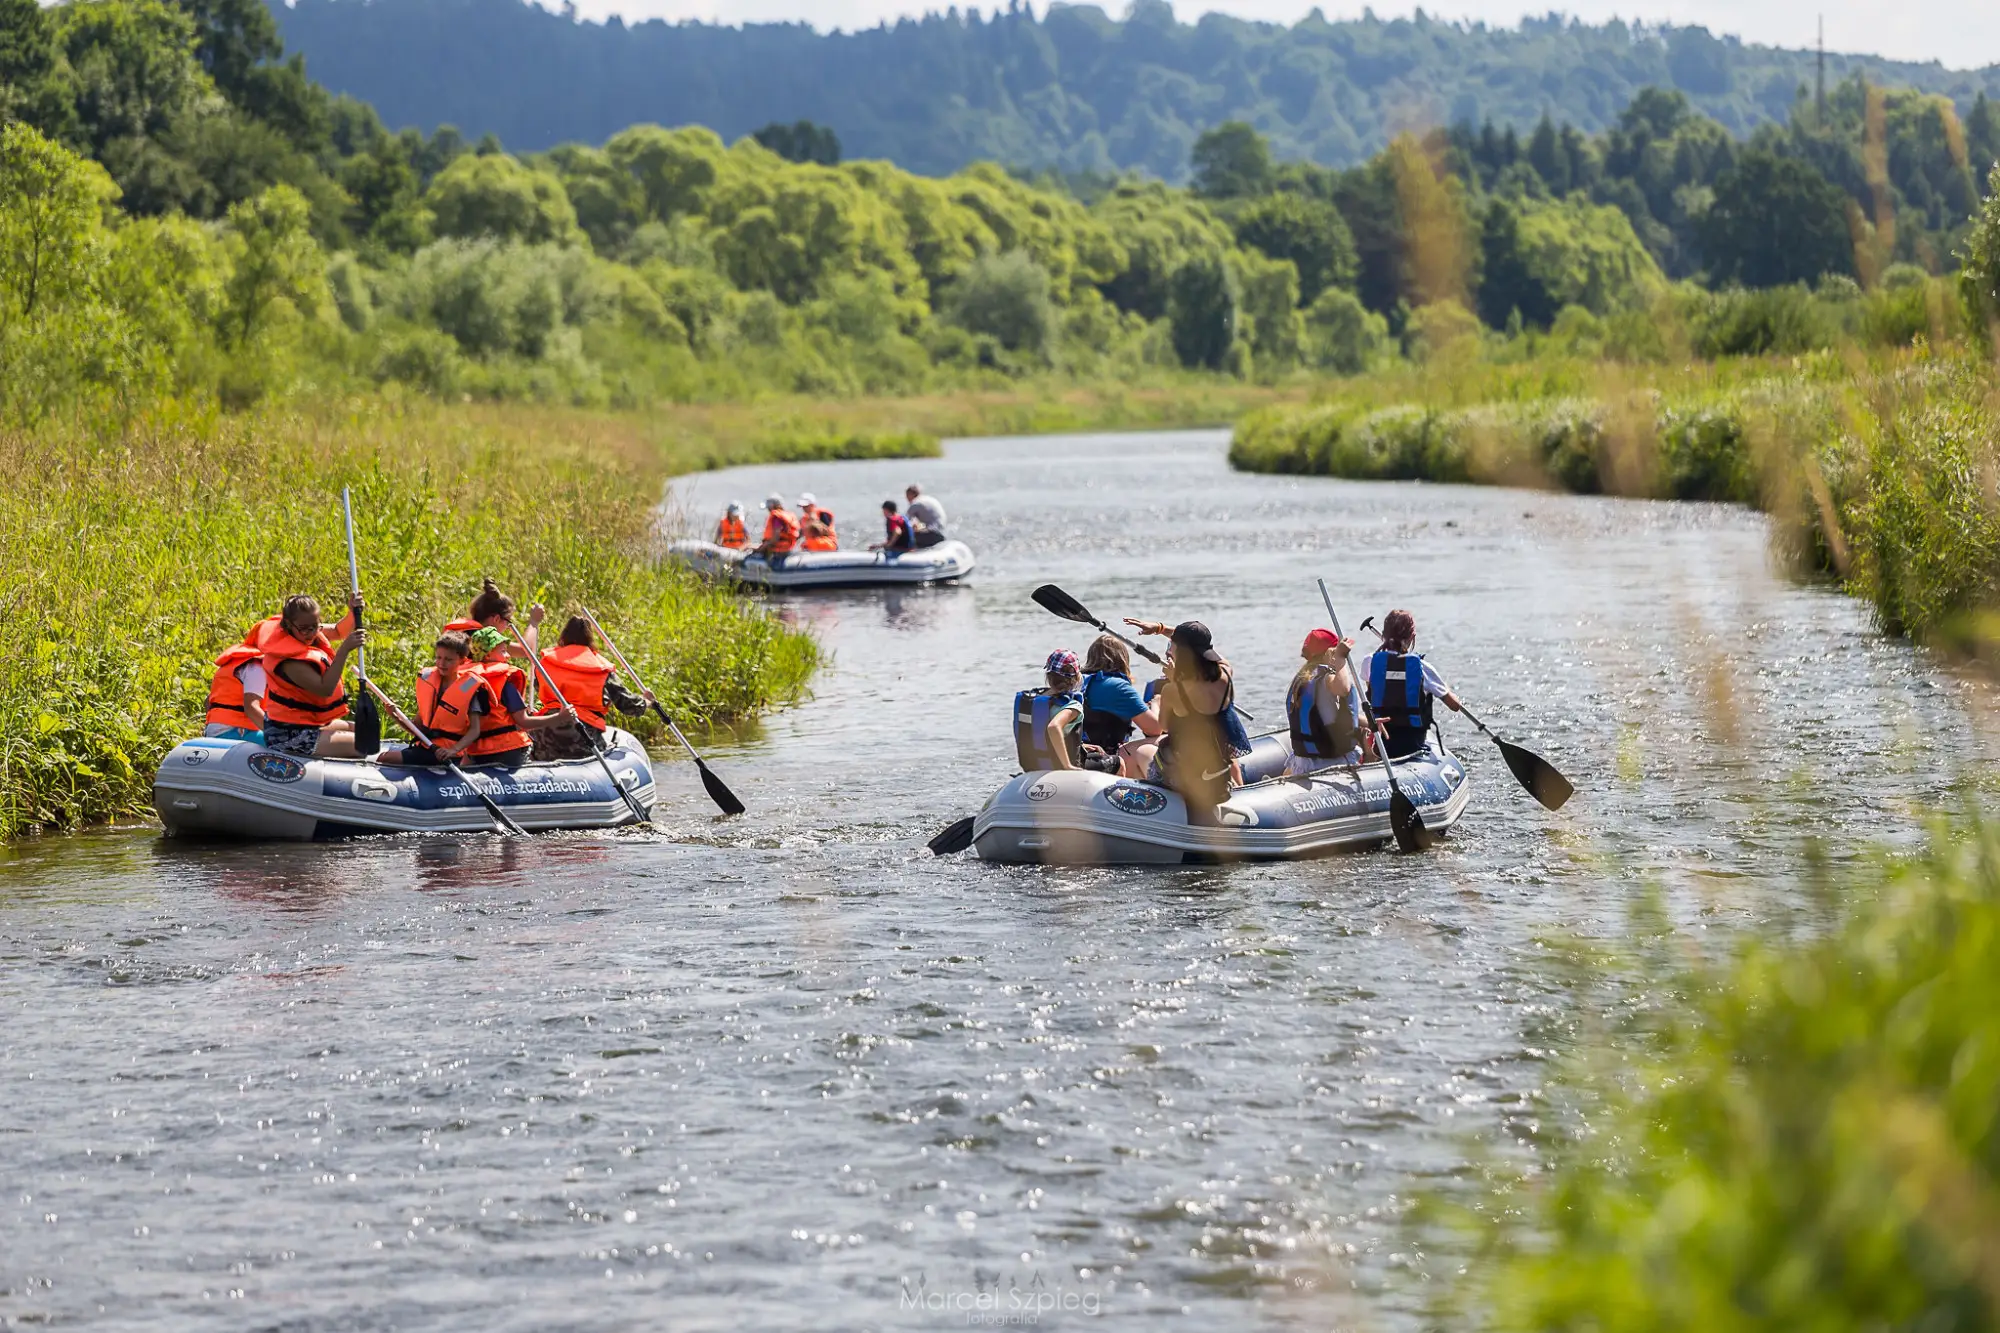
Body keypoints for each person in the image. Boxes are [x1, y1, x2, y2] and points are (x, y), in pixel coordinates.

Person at [1119, 620, 1243, 819]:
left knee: (1140, 751)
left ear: (1182, 652)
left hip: (1183, 780)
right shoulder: (1226, 675)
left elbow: (1163, 725)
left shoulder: (1173, 691)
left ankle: (1147, 815)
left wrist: (1158, 701)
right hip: (1217, 773)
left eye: (1173, 646)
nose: (1170, 650)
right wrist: (1161, 629)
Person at [529, 616, 655, 761]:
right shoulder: (602, 670)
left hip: (546, 735)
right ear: (590, 640)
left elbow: (538, 687)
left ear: (563, 637)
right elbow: (629, 705)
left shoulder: (545, 663)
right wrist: (647, 702)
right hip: (583, 738)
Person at [258, 593, 367, 758]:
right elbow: (325, 689)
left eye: (315, 626)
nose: (310, 633)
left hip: (308, 722)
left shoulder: (305, 630)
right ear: (288, 624)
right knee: (363, 744)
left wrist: (352, 612)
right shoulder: (289, 662)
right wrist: (344, 650)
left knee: (362, 730)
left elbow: (338, 631)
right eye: (304, 628)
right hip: (287, 734)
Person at [460, 626, 573, 768]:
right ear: (488, 655)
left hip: (477, 753)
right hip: (508, 750)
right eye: (503, 651)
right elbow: (523, 722)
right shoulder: (504, 682)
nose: (508, 655)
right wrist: (559, 717)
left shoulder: (467, 682)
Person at [379, 632, 488, 767]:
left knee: (386, 758)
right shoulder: (430, 684)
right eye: (438, 657)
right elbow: (417, 729)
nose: (442, 663)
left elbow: (475, 730)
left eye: (448, 660)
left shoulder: (468, 687)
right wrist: (395, 716)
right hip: (425, 747)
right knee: (384, 757)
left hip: (446, 753)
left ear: (462, 660)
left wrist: (453, 750)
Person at [1365, 608, 1462, 759]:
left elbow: (1373, 694)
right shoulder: (1422, 668)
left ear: (1384, 635)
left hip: (1383, 744)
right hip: (1413, 744)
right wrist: (1443, 685)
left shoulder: (1370, 661)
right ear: (1412, 637)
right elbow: (1454, 706)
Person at [1285, 628, 1366, 775]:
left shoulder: (1304, 678)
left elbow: (1327, 714)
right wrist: (1341, 659)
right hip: (1328, 763)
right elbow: (1344, 689)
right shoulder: (1327, 678)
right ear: (1330, 653)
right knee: (1363, 754)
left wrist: (1370, 723)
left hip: (1303, 761)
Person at [1077, 635, 1162, 775]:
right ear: (1123, 659)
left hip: (1080, 753)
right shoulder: (1119, 687)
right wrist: (1156, 704)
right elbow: (1155, 730)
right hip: (1106, 756)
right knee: (1164, 740)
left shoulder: (1078, 683)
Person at [1013, 649, 1087, 771]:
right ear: (1077, 678)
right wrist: (1067, 766)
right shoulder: (1073, 706)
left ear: (1048, 677)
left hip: (1033, 767)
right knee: (1117, 763)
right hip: (1060, 767)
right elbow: (1053, 727)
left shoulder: (1034, 701)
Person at [204, 619, 276, 743]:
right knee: (291, 745)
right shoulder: (255, 667)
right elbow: (251, 708)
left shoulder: (236, 662)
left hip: (216, 731)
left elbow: (208, 702)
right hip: (235, 732)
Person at [444, 578, 543, 662]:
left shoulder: (461, 633)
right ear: (496, 619)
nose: (507, 627)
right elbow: (525, 651)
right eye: (508, 621)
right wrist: (533, 622)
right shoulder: (488, 639)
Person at [755, 493, 800, 559]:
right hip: (788, 548)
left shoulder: (777, 518)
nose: (768, 509)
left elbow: (775, 538)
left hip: (779, 551)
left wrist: (761, 548)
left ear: (773, 505)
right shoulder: (787, 515)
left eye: (769, 506)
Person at [904, 484, 946, 548]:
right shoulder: (927, 499)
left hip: (932, 534)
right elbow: (928, 523)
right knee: (915, 528)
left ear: (910, 494)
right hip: (941, 533)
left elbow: (904, 523)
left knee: (905, 535)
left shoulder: (915, 503)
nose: (906, 498)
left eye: (907, 496)